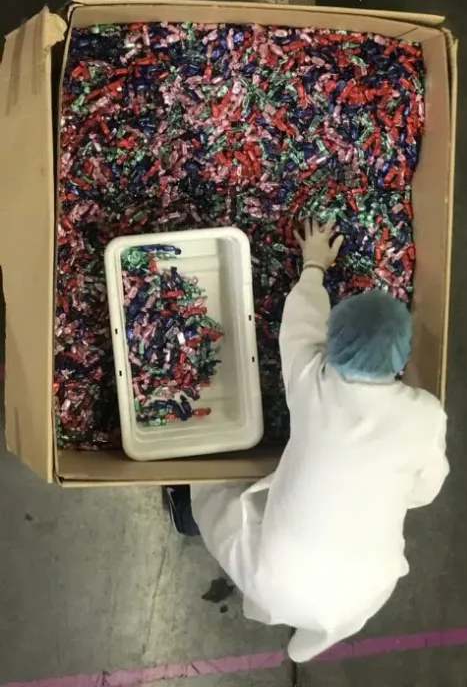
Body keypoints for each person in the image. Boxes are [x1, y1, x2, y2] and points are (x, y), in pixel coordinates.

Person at [163, 219, 449, 662]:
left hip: (279, 578)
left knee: (215, 495)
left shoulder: (311, 378)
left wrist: (314, 263)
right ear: (402, 355)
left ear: (333, 342)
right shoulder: (425, 415)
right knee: (312, 598)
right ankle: (304, 643)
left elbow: (298, 323)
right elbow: (425, 492)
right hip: (364, 593)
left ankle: (188, 514)